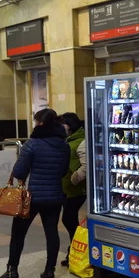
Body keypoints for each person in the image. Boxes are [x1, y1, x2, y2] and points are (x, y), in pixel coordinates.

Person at [0, 109, 70, 278]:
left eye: (36, 122)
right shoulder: (64, 145)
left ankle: (12, 271)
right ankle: (49, 271)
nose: (35, 124)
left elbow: (19, 172)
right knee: (52, 232)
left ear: (41, 124)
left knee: (18, 233)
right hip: (54, 196)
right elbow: (64, 171)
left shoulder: (32, 144)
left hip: (32, 198)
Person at [59, 112, 87, 267]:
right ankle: (74, 250)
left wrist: (74, 179)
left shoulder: (80, 141)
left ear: (70, 125)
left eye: (63, 123)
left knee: (68, 219)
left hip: (76, 190)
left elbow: (86, 166)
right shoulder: (68, 140)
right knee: (69, 219)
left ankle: (76, 250)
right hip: (67, 189)